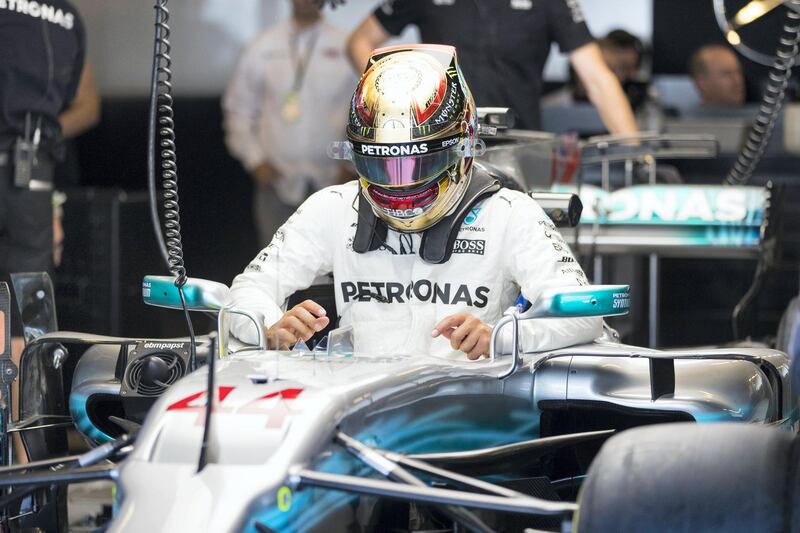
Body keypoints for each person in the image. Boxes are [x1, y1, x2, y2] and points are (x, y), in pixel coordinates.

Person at [228, 45, 601, 359]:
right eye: (383, 163)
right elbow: (245, 293)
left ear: (464, 146)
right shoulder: (332, 208)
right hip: (360, 414)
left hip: (472, 421)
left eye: (418, 161)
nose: (401, 184)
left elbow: (584, 314)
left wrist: (503, 336)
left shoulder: (510, 214)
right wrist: (267, 328)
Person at [0, 0, 98, 460]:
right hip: (31, 172)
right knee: (22, 322)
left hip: (30, 175)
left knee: (23, 322)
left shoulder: (67, 15)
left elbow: (88, 102)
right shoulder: (67, 16)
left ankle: (23, 465)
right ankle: (24, 468)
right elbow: (83, 104)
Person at [346, 0, 638, 135]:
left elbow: (598, 78)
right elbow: (360, 42)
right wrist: (398, 100)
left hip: (520, 144)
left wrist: (634, 153)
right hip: (443, 144)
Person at [223, 0, 357, 248]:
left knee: (331, 270)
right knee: (274, 268)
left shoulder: (348, 45)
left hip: (335, 184)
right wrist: (255, 160)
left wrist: (351, 165)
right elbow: (238, 109)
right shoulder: (262, 46)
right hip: (277, 182)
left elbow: (362, 113)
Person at [544, 29, 647, 111]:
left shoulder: (630, 109)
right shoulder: (549, 108)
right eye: (613, 69)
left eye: (624, 70)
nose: (620, 77)